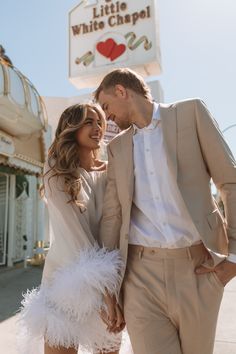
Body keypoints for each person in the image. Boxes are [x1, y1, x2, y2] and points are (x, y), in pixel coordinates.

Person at [94, 68, 236, 354]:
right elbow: (113, 216)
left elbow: (229, 182)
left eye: (106, 106)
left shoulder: (190, 113)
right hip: (140, 276)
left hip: (198, 269)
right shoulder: (117, 147)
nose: (107, 116)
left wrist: (233, 258)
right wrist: (108, 287)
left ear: (122, 91)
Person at [18, 103, 125, 354]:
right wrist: (105, 293)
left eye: (100, 121)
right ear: (71, 127)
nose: (97, 127)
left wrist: (112, 291)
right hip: (64, 283)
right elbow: (78, 236)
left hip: (110, 282)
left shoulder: (111, 173)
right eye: (88, 121)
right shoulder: (56, 170)